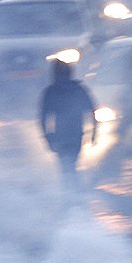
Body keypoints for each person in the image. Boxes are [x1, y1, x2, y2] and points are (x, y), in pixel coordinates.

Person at [39, 60, 97, 189]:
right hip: (76, 135)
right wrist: (94, 133)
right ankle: (74, 191)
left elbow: (43, 118)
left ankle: (71, 192)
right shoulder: (79, 89)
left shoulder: (50, 91)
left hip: (60, 136)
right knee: (71, 164)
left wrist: (47, 137)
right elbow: (92, 111)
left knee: (65, 166)